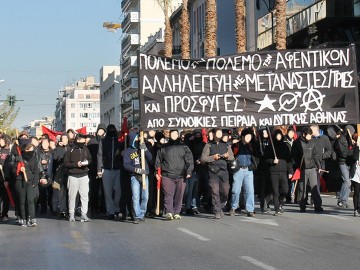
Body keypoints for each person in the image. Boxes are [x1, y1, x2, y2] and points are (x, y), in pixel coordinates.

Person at [155, 130, 194, 221]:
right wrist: (157, 172)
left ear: (178, 135)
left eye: (175, 134)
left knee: (179, 195)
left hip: (181, 175)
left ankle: (177, 212)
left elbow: (189, 160)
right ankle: (169, 211)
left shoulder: (184, 147)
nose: (174, 135)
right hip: (167, 175)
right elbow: (158, 161)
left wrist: (189, 171)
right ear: (169, 135)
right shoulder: (163, 147)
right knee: (168, 194)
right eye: (172, 134)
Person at [201, 128, 234, 219]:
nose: (219, 134)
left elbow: (232, 157)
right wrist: (213, 157)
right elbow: (203, 158)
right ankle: (217, 211)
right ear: (214, 134)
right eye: (218, 133)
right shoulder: (209, 145)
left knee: (225, 191)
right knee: (215, 191)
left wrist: (227, 157)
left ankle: (220, 206)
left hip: (224, 171)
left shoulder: (226, 145)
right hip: (213, 171)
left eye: (221, 133)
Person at [291, 127, 323, 213]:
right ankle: (302, 205)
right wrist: (297, 165)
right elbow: (293, 156)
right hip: (302, 169)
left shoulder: (312, 143)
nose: (310, 137)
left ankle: (318, 206)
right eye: (309, 135)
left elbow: (315, 155)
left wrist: (319, 166)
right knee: (302, 188)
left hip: (312, 168)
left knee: (314, 187)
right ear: (304, 134)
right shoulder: (297, 143)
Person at [123, 130, 152, 224]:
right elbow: (126, 165)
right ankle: (137, 215)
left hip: (144, 176)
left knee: (145, 196)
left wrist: (145, 150)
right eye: (137, 138)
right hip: (134, 176)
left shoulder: (142, 147)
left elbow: (150, 158)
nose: (138, 139)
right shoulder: (127, 151)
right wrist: (136, 170)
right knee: (135, 197)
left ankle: (142, 213)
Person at [264, 129, 293, 216]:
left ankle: (280, 203)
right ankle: (277, 209)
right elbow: (265, 160)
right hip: (273, 172)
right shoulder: (270, 146)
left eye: (280, 136)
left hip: (283, 171)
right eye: (277, 136)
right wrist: (272, 161)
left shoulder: (285, 146)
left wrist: (290, 171)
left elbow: (289, 160)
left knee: (285, 190)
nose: (279, 137)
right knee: (275, 191)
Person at [64, 134, 91, 222]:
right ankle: (71, 214)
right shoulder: (70, 150)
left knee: (84, 196)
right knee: (72, 196)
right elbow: (66, 163)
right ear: (78, 140)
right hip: (73, 176)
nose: (83, 142)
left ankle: (84, 214)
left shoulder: (85, 149)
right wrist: (76, 164)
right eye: (82, 140)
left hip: (84, 175)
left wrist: (87, 163)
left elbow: (90, 159)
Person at [97, 124, 122, 220]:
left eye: (113, 129)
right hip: (106, 169)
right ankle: (110, 211)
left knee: (118, 191)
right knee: (107, 192)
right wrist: (99, 169)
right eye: (110, 129)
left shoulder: (119, 141)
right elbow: (99, 156)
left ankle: (117, 208)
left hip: (118, 169)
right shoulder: (103, 141)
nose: (112, 131)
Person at [229, 128, 256, 217]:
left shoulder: (251, 146)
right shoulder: (236, 145)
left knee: (250, 190)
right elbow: (231, 153)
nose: (249, 138)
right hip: (238, 169)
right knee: (236, 190)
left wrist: (254, 165)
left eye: (250, 136)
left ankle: (250, 209)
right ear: (243, 136)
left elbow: (256, 155)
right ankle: (233, 207)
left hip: (248, 169)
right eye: (247, 136)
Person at [14, 142, 40, 227]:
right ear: (25, 149)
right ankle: (23, 218)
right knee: (22, 201)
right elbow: (13, 170)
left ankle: (32, 218)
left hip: (30, 181)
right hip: (20, 181)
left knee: (30, 200)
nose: (30, 151)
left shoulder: (34, 158)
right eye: (28, 149)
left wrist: (35, 181)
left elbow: (36, 171)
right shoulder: (19, 158)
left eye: (32, 149)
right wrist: (19, 169)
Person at [87, 123, 106, 216]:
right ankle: (93, 207)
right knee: (93, 189)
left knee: (104, 190)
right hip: (93, 169)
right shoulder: (91, 142)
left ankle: (102, 208)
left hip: (103, 168)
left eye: (103, 130)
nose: (101, 132)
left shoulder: (106, 141)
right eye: (100, 130)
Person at [334, 129, 354, 208]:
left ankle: (344, 200)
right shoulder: (342, 139)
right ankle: (341, 199)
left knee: (348, 181)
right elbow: (343, 152)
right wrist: (352, 151)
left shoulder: (348, 138)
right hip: (343, 162)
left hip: (349, 162)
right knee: (347, 181)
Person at [52, 133, 69, 218]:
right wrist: (58, 147)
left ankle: (69, 209)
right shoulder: (58, 148)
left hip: (70, 172)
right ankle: (62, 210)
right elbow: (55, 158)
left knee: (70, 192)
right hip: (61, 172)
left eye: (66, 138)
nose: (64, 140)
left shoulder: (71, 147)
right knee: (61, 192)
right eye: (63, 138)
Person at [38, 137, 53, 214]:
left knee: (51, 192)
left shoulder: (52, 152)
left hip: (50, 174)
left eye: (46, 143)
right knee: (42, 193)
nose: (45, 145)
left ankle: (51, 206)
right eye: (43, 143)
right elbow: (37, 164)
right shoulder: (38, 153)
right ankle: (43, 208)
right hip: (42, 174)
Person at [0, 134, 11, 221]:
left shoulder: (10, 151)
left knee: (5, 197)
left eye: (1, 139)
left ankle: (4, 214)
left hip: (6, 176)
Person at [350, 133, 360, 216]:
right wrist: (357, 147)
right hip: (356, 173)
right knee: (356, 192)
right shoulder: (354, 149)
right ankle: (355, 209)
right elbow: (354, 158)